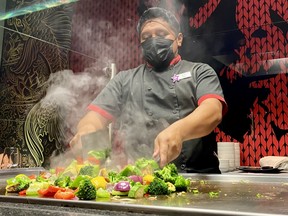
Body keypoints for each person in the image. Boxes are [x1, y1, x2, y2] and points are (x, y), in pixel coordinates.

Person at [70, 7, 227, 173]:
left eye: (161, 34)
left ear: (178, 39)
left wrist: (178, 131)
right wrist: (86, 131)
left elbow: (212, 111)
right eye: (146, 37)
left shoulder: (200, 71)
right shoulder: (124, 80)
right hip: (142, 180)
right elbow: (94, 118)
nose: (154, 40)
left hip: (197, 178)